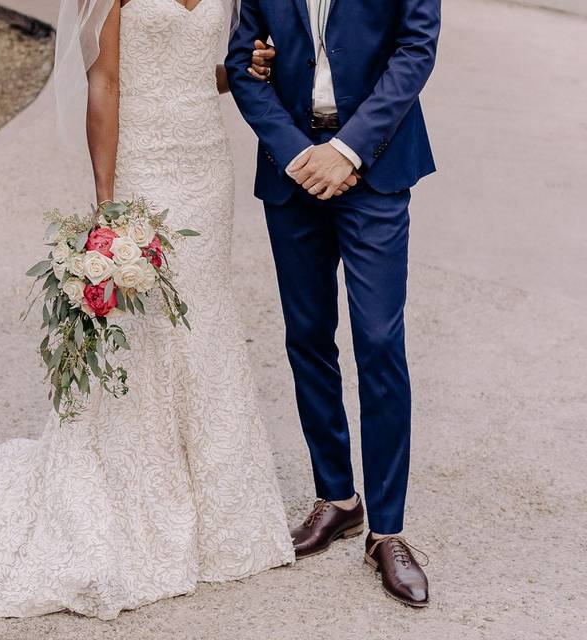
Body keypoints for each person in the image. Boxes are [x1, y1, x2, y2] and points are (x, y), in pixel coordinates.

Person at [0, 0, 293, 620]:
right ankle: (137, 493)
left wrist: (243, 65)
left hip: (205, 163)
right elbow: (105, 79)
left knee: (205, 316)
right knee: (147, 326)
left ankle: (220, 511)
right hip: (145, 165)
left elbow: (203, 70)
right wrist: (107, 201)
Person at [227, 0, 440, 608]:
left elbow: (414, 51)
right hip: (291, 171)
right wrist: (297, 152)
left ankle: (388, 531)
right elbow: (243, 62)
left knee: (378, 341)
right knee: (307, 334)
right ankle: (338, 498)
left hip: (374, 167)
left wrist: (344, 150)